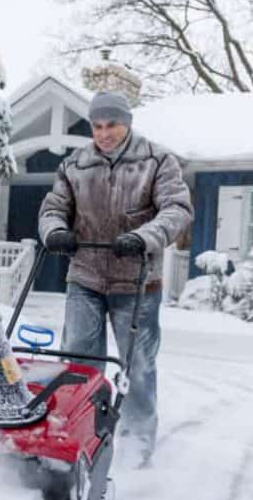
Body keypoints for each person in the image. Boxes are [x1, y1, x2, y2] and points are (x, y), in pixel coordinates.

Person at [38, 91, 193, 464]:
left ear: (127, 123)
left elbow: (177, 209)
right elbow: (53, 208)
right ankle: (80, 435)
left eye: (112, 125)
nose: (104, 133)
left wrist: (143, 238)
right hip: (86, 277)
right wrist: (54, 231)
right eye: (97, 126)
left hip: (137, 282)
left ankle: (137, 447)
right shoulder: (75, 164)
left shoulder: (157, 161)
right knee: (79, 363)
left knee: (137, 367)